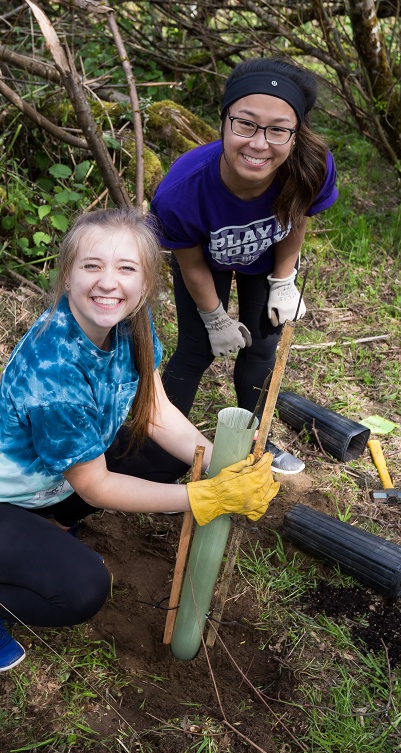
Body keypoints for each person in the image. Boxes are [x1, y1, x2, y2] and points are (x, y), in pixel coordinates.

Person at [0, 208, 279, 673]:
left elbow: (153, 408)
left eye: (126, 269)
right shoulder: (53, 371)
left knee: (162, 454)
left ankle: (51, 527)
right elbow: (96, 485)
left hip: (49, 486)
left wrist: (218, 464)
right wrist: (202, 498)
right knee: (82, 589)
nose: (108, 283)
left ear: (146, 282)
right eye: (92, 265)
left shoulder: (129, 322)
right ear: (67, 275)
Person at [150, 57, 338, 475]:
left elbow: (294, 219)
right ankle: (159, 443)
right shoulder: (181, 191)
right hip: (205, 262)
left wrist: (284, 281)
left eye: (278, 130)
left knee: (262, 346)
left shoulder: (311, 167)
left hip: (264, 260)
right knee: (195, 349)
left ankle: (256, 437)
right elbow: (192, 260)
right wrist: (215, 318)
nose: (259, 143)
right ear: (224, 121)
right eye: (246, 124)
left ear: (296, 134)